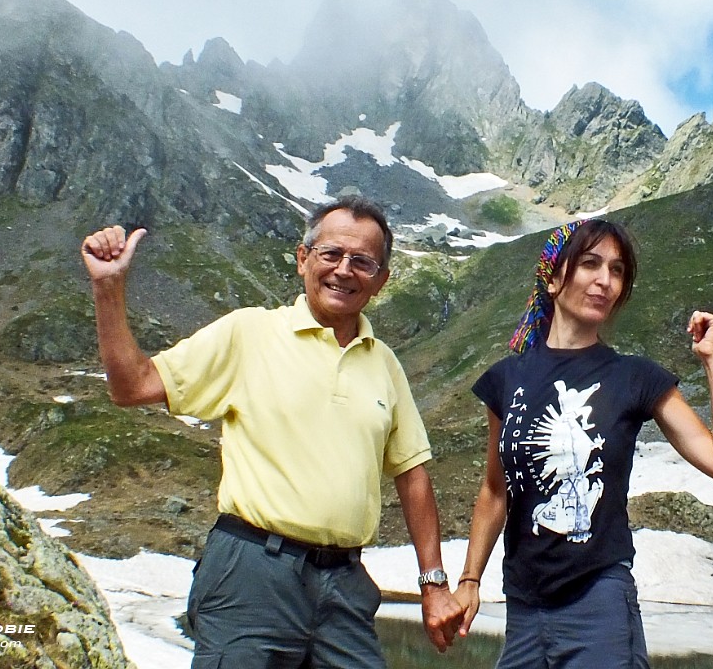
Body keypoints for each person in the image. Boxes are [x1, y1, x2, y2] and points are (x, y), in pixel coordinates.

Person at [80, 196, 464, 668]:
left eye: (362, 261)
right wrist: (109, 287)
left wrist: (435, 586)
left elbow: (412, 474)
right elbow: (131, 386)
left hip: (345, 585)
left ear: (380, 281)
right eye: (330, 254)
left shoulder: (384, 363)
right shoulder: (250, 333)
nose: (344, 270)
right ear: (303, 259)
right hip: (252, 572)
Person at [452, 218, 713, 669]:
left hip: (599, 601)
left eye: (617, 270)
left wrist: (712, 361)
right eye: (590, 264)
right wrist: (470, 578)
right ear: (553, 278)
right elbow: (495, 491)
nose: (605, 280)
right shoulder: (507, 379)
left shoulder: (634, 377)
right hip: (524, 607)